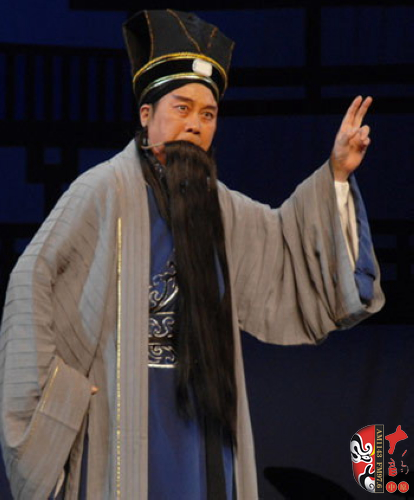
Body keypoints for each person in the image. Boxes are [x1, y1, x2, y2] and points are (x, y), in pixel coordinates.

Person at [0, 9, 384, 500]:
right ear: (146, 115)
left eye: (208, 114)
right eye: (181, 108)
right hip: (126, 412)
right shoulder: (101, 191)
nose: (195, 125)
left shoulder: (219, 205)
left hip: (205, 417)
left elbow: (285, 249)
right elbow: (32, 279)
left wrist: (336, 175)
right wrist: (61, 388)